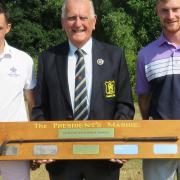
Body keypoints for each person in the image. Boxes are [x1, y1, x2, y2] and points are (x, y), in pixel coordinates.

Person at [32, 0, 134, 179]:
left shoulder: (114, 56)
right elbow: (40, 108)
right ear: (63, 23)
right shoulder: (47, 59)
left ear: (94, 22)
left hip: (105, 160)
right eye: (71, 18)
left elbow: (125, 105)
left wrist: (116, 143)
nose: (77, 23)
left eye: (83, 17)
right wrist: (44, 143)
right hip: (61, 161)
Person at [136, 0, 180, 179]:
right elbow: (144, 98)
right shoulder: (145, 54)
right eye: (164, 11)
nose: (170, 16)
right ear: (157, 12)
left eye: (176, 9)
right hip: (159, 140)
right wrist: (149, 129)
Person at [0, 4, 36, 180]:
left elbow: (32, 103)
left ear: (8, 28)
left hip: (14, 141)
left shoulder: (24, 60)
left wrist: (33, 142)